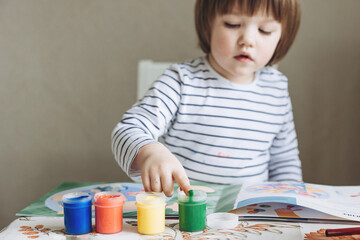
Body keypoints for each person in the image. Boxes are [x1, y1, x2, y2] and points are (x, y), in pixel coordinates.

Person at [112, 0, 302, 197]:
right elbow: (128, 129)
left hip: (249, 216)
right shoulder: (181, 81)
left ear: (282, 37)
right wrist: (150, 153)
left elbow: (284, 163)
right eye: (233, 24)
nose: (248, 40)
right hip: (181, 211)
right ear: (207, 24)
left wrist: (292, 203)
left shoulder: (276, 88)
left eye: (265, 30)